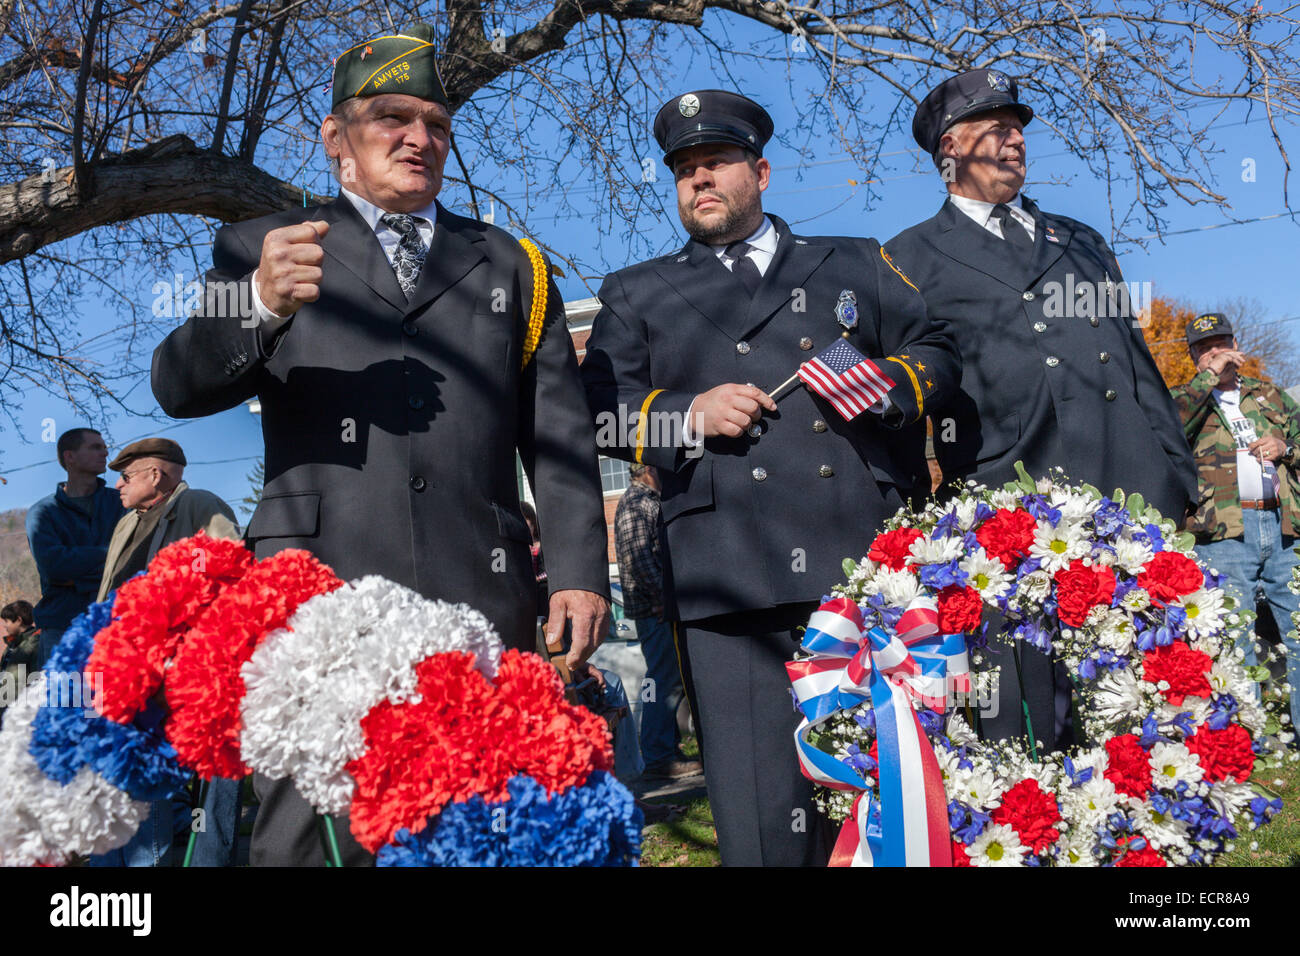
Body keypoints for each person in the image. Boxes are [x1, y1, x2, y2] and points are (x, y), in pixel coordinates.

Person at [150, 24, 610, 866]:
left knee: (478, 827)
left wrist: (579, 571)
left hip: (482, 592)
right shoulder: (263, 246)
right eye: (391, 117)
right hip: (320, 600)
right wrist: (255, 304)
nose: (419, 138)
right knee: (310, 839)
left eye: (435, 123)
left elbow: (560, 437)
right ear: (336, 139)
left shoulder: (516, 266)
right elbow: (177, 383)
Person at [581, 90, 958, 866]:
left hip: (857, 564)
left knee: (883, 790)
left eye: (715, 163)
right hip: (728, 584)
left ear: (760, 170)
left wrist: (886, 382)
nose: (699, 181)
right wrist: (686, 415)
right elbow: (597, 416)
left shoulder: (854, 259)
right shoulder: (635, 291)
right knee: (758, 814)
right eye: (684, 170)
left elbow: (939, 351)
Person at [885, 70, 1199, 752]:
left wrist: (1177, 472)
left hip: (1131, 493)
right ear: (951, 150)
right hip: (1012, 517)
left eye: (1018, 126)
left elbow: (1136, 359)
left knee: (1147, 715)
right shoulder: (906, 257)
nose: (1015, 139)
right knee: (1040, 725)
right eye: (996, 128)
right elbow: (911, 391)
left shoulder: (1080, 239)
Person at [88, 437, 243, 868]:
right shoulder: (126, 523)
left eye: (125, 476)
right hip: (130, 662)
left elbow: (233, 571)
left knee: (212, 768)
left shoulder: (198, 503)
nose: (116, 484)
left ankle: (205, 862)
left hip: (191, 658)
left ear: (155, 475)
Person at [1170, 312, 1300, 737]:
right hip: (1223, 531)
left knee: (1298, 632)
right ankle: (1250, 739)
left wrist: (1286, 447)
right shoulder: (1182, 398)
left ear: (1236, 344)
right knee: (1234, 638)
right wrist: (1207, 380)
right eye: (1204, 347)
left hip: (1281, 524)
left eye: (1222, 342)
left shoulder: (1271, 395)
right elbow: (1169, 432)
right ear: (1192, 357)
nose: (1215, 352)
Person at [613, 463, 698, 779]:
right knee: (664, 680)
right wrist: (664, 598)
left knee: (668, 678)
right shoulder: (638, 502)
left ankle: (666, 752)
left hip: (656, 607)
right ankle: (659, 756)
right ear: (647, 469)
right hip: (655, 609)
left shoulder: (643, 501)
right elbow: (641, 559)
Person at [25, 428, 126, 667]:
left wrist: (77, 577)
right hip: (62, 628)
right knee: (64, 701)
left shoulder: (121, 503)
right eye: (95, 447)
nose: (105, 452)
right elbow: (55, 568)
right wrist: (109, 556)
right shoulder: (43, 512)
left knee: (115, 702)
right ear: (69, 457)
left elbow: (133, 559)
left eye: (104, 447)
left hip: (117, 623)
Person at [0, 600, 40, 723]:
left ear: (18, 620)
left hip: (19, 709)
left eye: (6, 621)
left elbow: (36, 678)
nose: (4, 626)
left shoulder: (34, 644)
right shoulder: (14, 644)